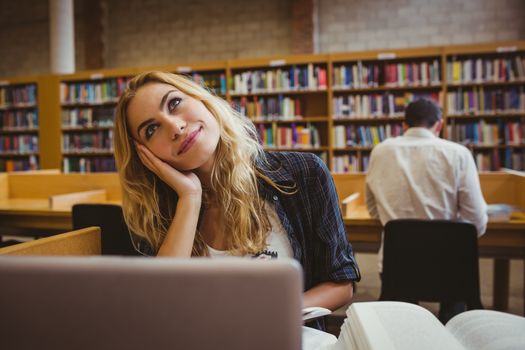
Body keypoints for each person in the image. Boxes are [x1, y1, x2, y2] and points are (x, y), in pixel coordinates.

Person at [113, 71, 361, 329]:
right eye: (152, 129)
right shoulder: (158, 213)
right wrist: (190, 198)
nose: (175, 128)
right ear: (145, 155)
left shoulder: (303, 173)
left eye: (174, 103)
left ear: (203, 100)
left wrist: (262, 315)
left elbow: (341, 284)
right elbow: (160, 306)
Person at [365, 98, 488, 324]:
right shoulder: (458, 154)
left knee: (402, 325)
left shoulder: (380, 151)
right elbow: (476, 223)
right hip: (450, 266)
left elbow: (372, 207)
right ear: (439, 125)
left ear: (404, 125)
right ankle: (453, 324)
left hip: (397, 265)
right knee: (455, 320)